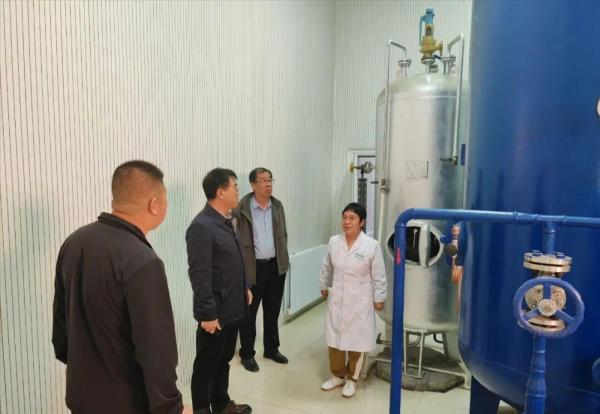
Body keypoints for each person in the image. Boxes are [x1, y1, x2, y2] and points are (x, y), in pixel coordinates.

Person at [52, 160, 190, 414]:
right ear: (154, 204)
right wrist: (171, 407)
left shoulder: (74, 242)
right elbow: (156, 347)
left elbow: (61, 327)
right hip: (126, 402)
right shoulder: (143, 261)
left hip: (81, 395)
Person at [186, 168, 253, 414]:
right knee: (206, 366)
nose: (238, 191)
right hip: (215, 312)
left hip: (232, 305)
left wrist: (245, 287)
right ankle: (202, 410)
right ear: (220, 191)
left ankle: (222, 404)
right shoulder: (201, 226)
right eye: (235, 186)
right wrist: (207, 314)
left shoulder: (225, 219)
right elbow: (200, 274)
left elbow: (231, 261)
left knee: (223, 360)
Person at [318, 202, 387, 398]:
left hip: (359, 302)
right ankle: (337, 375)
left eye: (352, 218)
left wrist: (379, 297)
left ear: (361, 222)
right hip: (338, 299)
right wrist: (324, 285)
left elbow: (379, 275)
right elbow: (326, 266)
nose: (347, 222)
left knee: (357, 341)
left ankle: (352, 379)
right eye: (344, 217)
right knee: (334, 339)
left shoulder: (371, 245)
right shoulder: (334, 242)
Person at [234, 167, 290, 372]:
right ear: (253, 184)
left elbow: (283, 235)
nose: (268, 184)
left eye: (270, 180)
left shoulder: (277, 206)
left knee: (272, 310)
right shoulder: (241, 209)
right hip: (252, 268)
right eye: (263, 180)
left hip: (275, 265)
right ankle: (247, 353)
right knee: (248, 313)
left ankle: (272, 349)